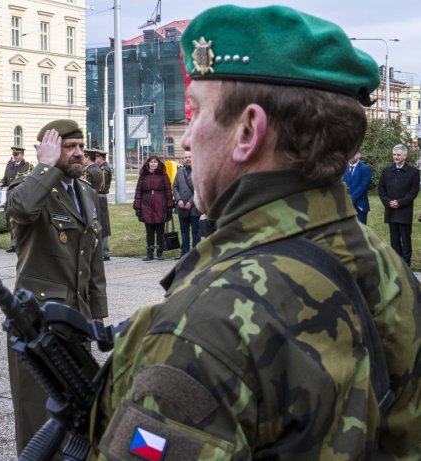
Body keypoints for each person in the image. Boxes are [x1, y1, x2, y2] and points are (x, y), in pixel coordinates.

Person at [89, 5, 421, 460]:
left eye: (195, 112)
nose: (185, 139)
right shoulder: (382, 260)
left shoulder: (208, 322)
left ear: (247, 131)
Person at [5, 119, 108, 454]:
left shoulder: (88, 193)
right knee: (40, 414)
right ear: (49, 150)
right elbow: (20, 209)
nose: (78, 153)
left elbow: (93, 262)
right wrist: (45, 166)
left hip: (77, 318)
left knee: (78, 413)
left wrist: (97, 318)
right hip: (38, 321)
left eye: (80, 146)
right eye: (69, 147)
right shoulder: (30, 188)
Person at [378, 144, 420, 265]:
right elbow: (381, 189)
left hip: (404, 211)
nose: (395, 157)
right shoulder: (386, 171)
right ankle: (397, 264)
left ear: (405, 156)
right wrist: (388, 202)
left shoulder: (413, 172)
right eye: (394, 154)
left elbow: (413, 191)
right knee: (394, 239)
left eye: (398, 155)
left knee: (405, 240)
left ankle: (406, 265)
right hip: (391, 210)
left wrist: (400, 202)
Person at [133, 155, 174, 260]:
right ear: (148, 163)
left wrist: (170, 205)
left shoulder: (163, 175)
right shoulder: (143, 176)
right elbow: (138, 192)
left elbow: (168, 191)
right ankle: (149, 252)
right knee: (149, 231)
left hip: (160, 205)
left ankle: (160, 252)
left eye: (155, 162)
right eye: (151, 162)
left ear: (158, 163)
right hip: (146, 205)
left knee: (160, 230)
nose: (153, 164)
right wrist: (138, 206)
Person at [0, 146, 33, 253]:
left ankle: (22, 243)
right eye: (13, 155)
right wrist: (1, 182)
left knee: (20, 220)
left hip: (21, 196)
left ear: (22, 155)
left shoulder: (28, 166)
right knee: (10, 220)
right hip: (10, 196)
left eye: (17, 155)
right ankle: (13, 244)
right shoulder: (10, 165)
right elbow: (6, 178)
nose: (15, 157)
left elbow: (30, 180)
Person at [172, 150, 201, 258]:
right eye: (185, 157)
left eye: (190, 157)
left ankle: (195, 254)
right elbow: (175, 186)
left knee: (195, 231)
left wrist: (190, 202)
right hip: (182, 207)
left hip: (194, 207)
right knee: (184, 231)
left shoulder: (199, 171)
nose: (187, 159)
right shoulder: (180, 171)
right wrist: (178, 200)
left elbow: (199, 189)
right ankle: (184, 253)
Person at [342, 150, 371, 224]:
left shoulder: (365, 168)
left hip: (359, 206)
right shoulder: (343, 168)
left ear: (359, 155)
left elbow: (363, 187)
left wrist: (350, 199)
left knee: (360, 232)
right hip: (345, 205)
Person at [94, 150, 112, 260]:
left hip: (101, 198)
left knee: (103, 223)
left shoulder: (104, 169)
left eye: (96, 158)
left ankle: (105, 252)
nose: (95, 160)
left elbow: (102, 186)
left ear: (100, 158)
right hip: (99, 198)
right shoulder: (101, 168)